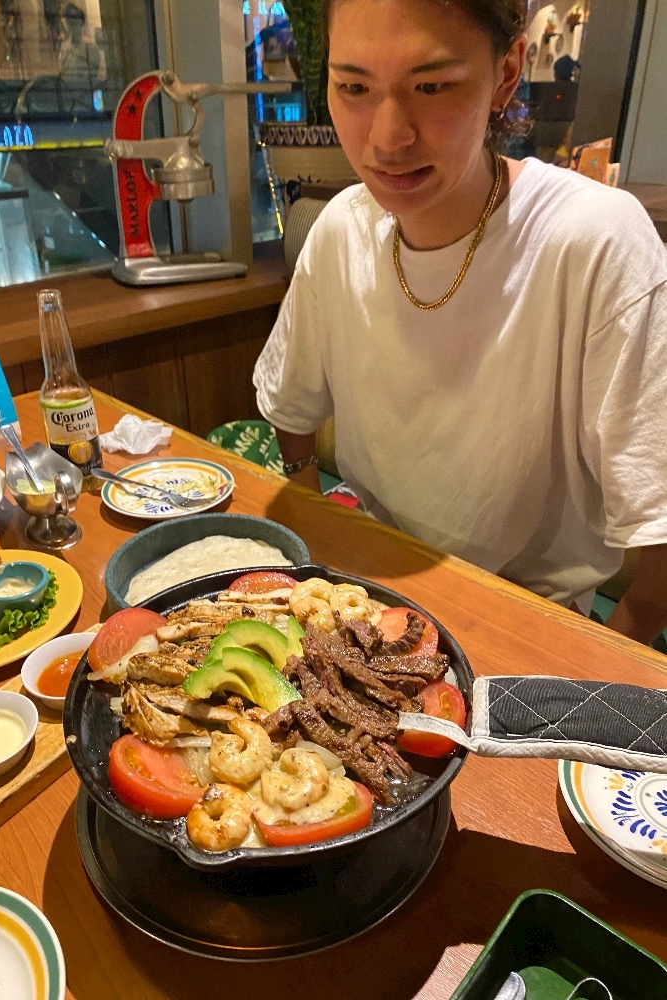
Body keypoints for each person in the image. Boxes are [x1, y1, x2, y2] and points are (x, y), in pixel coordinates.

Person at [253, 0, 667, 646]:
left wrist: (603, 669)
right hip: (370, 595)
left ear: (506, 75)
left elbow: (657, 521)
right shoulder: (341, 231)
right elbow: (290, 402)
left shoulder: (595, 241)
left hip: (526, 620)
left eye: (432, 87)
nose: (386, 138)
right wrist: (315, 529)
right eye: (354, 88)